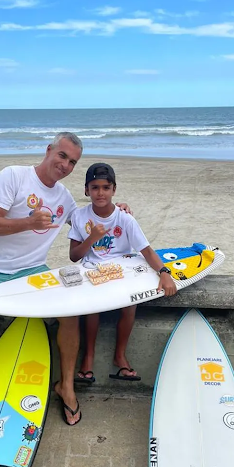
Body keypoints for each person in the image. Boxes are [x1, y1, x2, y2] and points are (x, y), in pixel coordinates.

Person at [0, 134, 132, 436]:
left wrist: (116, 210)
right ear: (48, 150)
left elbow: (86, 219)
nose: (65, 165)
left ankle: (66, 387)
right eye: (62, 156)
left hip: (34, 272)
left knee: (70, 314)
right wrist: (28, 222)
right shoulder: (13, 176)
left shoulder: (64, 198)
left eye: (72, 162)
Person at [68, 162, 177, 384]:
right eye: (95, 187)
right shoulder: (80, 216)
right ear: (86, 190)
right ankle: (88, 358)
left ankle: (120, 355)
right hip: (92, 270)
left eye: (106, 188)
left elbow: (145, 250)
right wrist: (91, 239)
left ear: (114, 190)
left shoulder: (124, 218)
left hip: (122, 270)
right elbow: (74, 256)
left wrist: (164, 272)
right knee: (92, 305)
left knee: (130, 303)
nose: (100, 193)